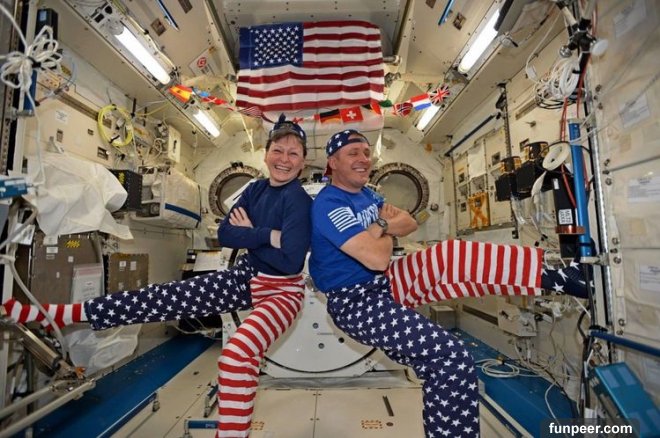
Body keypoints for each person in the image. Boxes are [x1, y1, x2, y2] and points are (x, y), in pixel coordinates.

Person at [1, 115, 312, 438]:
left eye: (293, 153)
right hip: (245, 276)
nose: (284, 159)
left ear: (302, 162)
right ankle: (60, 314)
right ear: (266, 154)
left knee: (237, 355)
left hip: (281, 292)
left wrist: (250, 233)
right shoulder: (256, 189)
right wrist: (267, 235)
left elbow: (290, 262)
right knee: (157, 297)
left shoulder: (299, 202)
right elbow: (226, 234)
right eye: (278, 150)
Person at [309, 129, 590, 438]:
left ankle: (559, 277)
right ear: (332, 162)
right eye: (353, 153)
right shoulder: (330, 203)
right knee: (450, 358)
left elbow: (409, 222)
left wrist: (379, 229)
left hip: (384, 283)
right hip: (356, 301)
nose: (364, 159)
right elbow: (377, 258)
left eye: (366, 152)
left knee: (451, 254)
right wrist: (386, 224)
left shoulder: (367, 195)